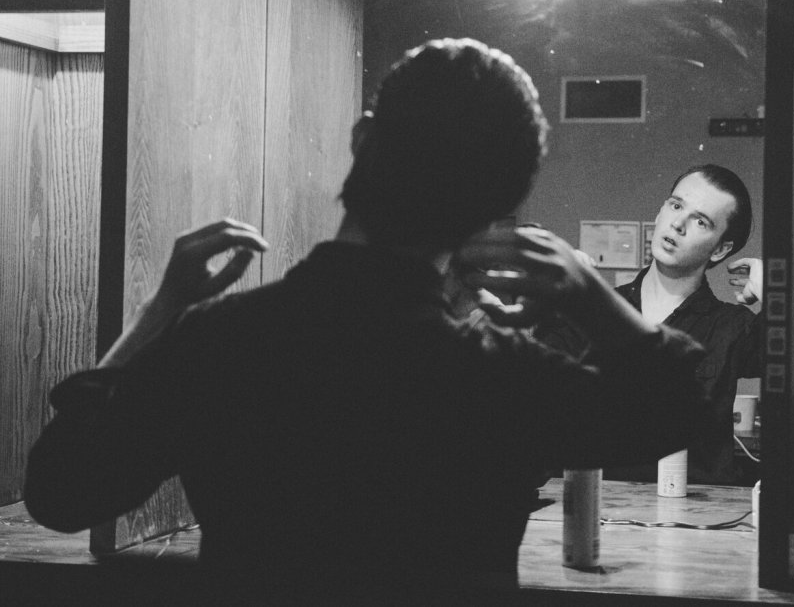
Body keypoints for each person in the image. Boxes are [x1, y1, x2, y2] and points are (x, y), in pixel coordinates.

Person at [24, 38, 710, 604]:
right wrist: (587, 293)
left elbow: (61, 494)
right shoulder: (498, 375)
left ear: (362, 139)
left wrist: (158, 313)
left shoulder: (222, 340)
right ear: (497, 208)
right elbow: (676, 405)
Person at [537, 164, 763, 485]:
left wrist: (774, 290)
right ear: (660, 213)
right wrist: (557, 298)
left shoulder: (733, 326)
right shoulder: (598, 310)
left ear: (720, 249)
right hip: (603, 504)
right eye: (676, 205)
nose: (678, 224)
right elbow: (536, 393)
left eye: (701, 221)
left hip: (701, 507)